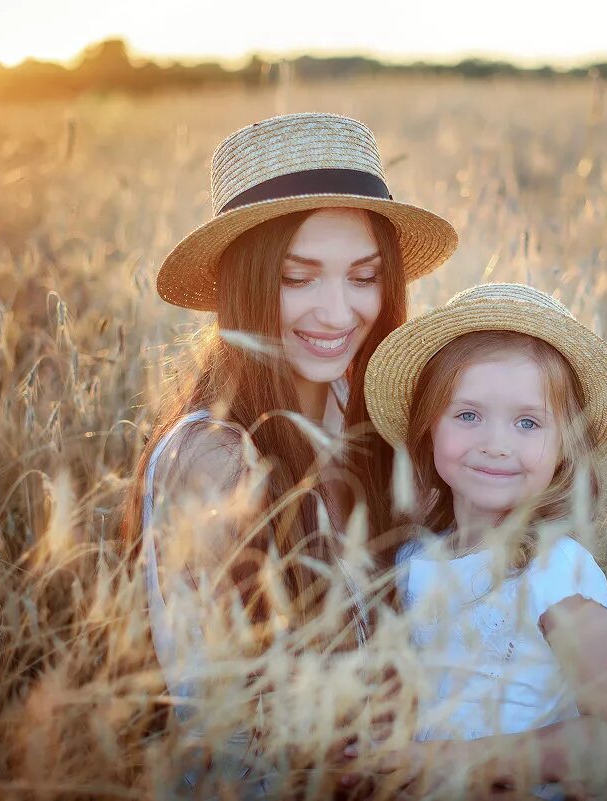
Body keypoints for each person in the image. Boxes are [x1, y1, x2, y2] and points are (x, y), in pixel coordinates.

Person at [117, 112, 458, 796]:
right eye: (299, 278)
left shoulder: (362, 414)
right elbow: (238, 733)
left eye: (364, 278)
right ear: (243, 282)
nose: (338, 312)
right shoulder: (214, 460)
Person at [359, 282, 607, 799]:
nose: (495, 445)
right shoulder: (411, 559)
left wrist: (448, 763)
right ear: (428, 427)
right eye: (467, 415)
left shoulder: (554, 569)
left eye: (527, 422)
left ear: (566, 445)